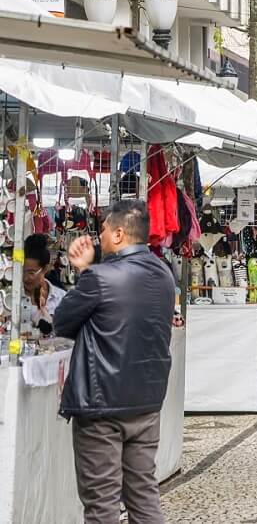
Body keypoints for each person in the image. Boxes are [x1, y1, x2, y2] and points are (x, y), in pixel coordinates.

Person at [54, 200, 175, 524]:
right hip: (147, 402)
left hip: (102, 403)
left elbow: (62, 322)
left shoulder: (100, 277)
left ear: (119, 233)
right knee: (143, 496)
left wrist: (83, 271)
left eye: (104, 230)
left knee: (102, 504)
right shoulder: (164, 274)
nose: (100, 237)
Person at [11, 233, 66, 336]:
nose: (25, 278)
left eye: (31, 273)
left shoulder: (61, 299)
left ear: (45, 269)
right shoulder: (10, 299)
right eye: (22, 271)